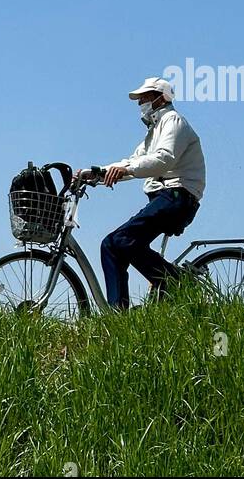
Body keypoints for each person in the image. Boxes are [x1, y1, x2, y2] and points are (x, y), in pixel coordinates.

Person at [78, 76, 206, 310]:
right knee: (110, 244)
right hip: (164, 198)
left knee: (123, 240)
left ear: (160, 98)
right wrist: (95, 173)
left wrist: (125, 169)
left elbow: (163, 159)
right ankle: (118, 317)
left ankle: (176, 282)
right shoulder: (155, 129)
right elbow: (135, 161)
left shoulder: (172, 121)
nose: (140, 105)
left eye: (144, 98)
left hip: (179, 196)